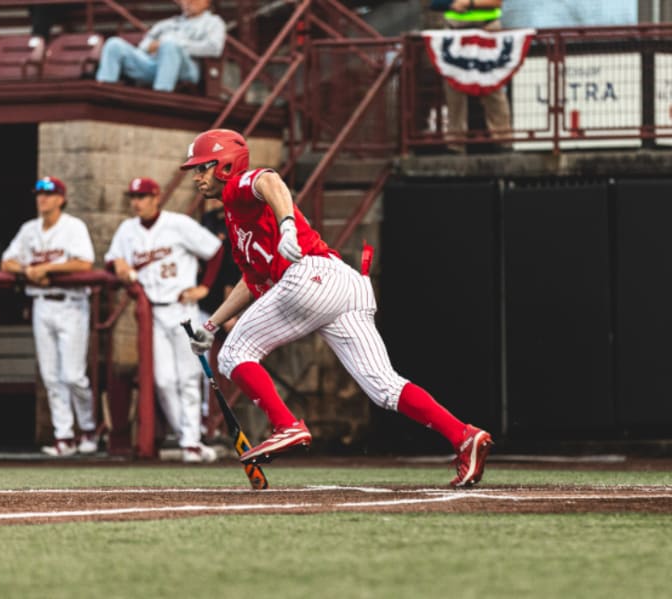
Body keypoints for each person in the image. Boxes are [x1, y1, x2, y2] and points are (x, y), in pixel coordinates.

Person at [181, 129, 493, 487]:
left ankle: (286, 425)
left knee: (235, 354)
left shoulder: (238, 188)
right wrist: (212, 325)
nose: (196, 177)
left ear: (224, 166)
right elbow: (253, 280)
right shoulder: (236, 225)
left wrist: (286, 225)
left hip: (311, 276)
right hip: (345, 285)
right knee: (384, 388)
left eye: (202, 168)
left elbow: (271, 181)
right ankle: (464, 435)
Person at [104, 177, 224, 463]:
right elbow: (112, 259)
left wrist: (204, 287)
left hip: (183, 309)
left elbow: (216, 251)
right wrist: (117, 264)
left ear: (156, 197)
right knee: (163, 380)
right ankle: (188, 436)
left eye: (143, 196)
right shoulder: (127, 229)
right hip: (153, 312)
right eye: (134, 196)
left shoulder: (178, 223)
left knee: (189, 377)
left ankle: (191, 442)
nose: (137, 202)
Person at [0, 176, 99, 457]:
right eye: (39, 194)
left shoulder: (73, 226)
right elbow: (6, 261)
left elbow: (84, 262)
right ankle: (64, 436)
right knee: (51, 375)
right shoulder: (29, 229)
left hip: (71, 303)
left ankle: (88, 428)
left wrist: (47, 269)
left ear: (61, 199)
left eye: (49, 194)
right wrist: (27, 271)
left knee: (73, 375)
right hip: (42, 304)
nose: (42, 199)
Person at [95, 0, 225, 92]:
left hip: (187, 68)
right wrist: (151, 46)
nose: (188, 2)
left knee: (170, 45)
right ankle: (104, 90)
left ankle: (162, 93)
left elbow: (214, 48)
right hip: (154, 64)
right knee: (114, 44)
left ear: (207, 2)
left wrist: (177, 44)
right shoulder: (168, 23)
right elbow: (144, 45)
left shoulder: (214, 22)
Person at [442, 0, 512, 153]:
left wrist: (469, 4)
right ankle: (455, 143)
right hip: (455, 31)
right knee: (454, 87)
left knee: (492, 85)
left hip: (486, 29)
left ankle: (503, 140)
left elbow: (497, 2)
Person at [198, 197, 240, 434]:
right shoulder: (207, 220)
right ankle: (205, 419)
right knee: (200, 365)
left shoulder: (238, 223)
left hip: (226, 302)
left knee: (226, 362)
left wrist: (229, 310)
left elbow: (232, 270)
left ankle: (215, 421)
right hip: (203, 303)